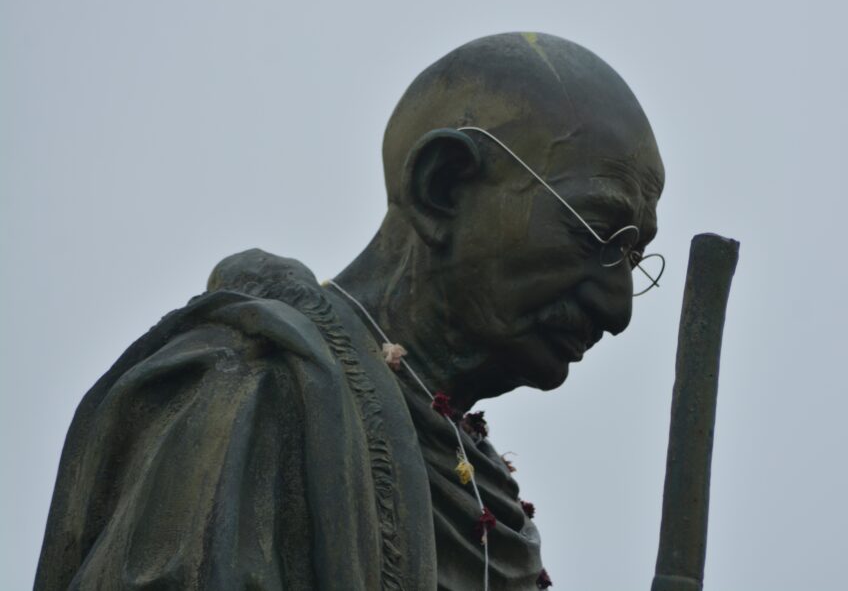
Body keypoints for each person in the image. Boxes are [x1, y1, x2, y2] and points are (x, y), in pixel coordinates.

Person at [35, 32, 665, 590]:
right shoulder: (252, 390)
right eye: (596, 234)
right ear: (441, 187)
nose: (618, 311)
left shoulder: (477, 485)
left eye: (634, 259)